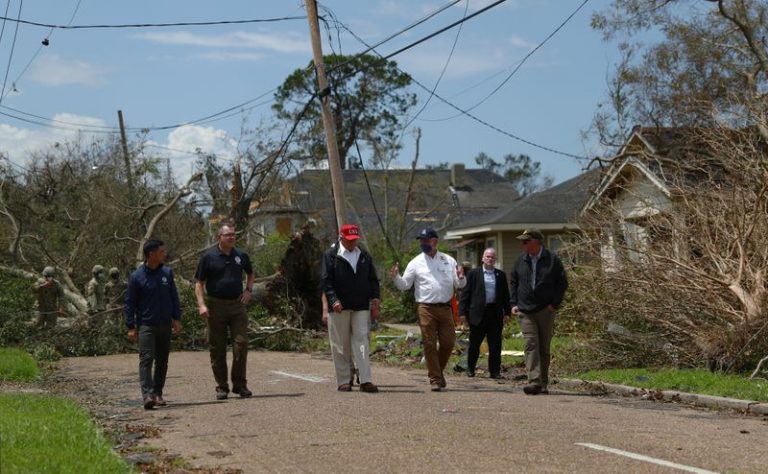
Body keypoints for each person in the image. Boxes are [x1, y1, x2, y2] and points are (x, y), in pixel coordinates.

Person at [391, 227, 466, 391]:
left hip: (445, 307)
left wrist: (461, 278)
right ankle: (435, 379)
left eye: (426, 240)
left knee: (448, 342)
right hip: (426, 308)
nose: (423, 243)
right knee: (429, 344)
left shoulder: (448, 260)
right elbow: (405, 285)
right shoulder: (415, 262)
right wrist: (396, 277)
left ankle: (437, 372)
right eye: (421, 241)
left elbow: (459, 284)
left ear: (435, 241)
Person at [194, 224, 255, 400]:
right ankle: (222, 386)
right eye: (227, 235)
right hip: (215, 306)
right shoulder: (208, 257)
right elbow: (199, 283)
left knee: (241, 345)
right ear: (219, 237)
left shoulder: (241, 255)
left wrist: (248, 290)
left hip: (237, 305)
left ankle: (240, 385)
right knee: (217, 348)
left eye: (233, 235)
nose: (231, 237)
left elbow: (250, 274)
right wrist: (202, 305)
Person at [321, 224, 381, 393]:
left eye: (355, 240)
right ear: (341, 238)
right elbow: (326, 281)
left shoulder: (364, 255)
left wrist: (375, 297)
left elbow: (373, 279)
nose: (353, 243)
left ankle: (365, 379)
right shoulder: (330, 255)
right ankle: (344, 380)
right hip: (339, 306)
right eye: (349, 240)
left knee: (362, 340)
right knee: (341, 344)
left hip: (361, 305)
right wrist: (333, 300)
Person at [509, 229, 568, 395]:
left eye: (526, 241)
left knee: (543, 346)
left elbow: (562, 283)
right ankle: (534, 381)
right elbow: (514, 281)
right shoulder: (520, 260)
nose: (523, 244)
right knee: (531, 344)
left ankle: (543, 383)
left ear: (536, 242)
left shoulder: (552, 260)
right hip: (525, 310)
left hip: (545, 310)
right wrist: (514, 302)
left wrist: (554, 304)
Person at [125, 240, 182, 410]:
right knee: (146, 359)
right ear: (152, 254)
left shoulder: (167, 273)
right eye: (161, 251)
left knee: (162, 360)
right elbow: (130, 303)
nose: (165, 254)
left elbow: (174, 297)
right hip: (146, 325)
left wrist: (176, 318)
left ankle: (157, 393)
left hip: (165, 324)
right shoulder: (136, 276)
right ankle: (147, 395)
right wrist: (131, 326)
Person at [459, 248, 511, 378]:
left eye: (492, 257)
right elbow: (465, 294)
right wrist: (462, 312)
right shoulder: (473, 274)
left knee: (495, 344)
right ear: (482, 258)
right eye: (487, 256)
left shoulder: (500, 275)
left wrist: (507, 313)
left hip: (495, 313)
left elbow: (505, 295)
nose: (490, 259)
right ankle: (470, 369)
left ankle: (494, 371)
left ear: (495, 259)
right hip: (477, 313)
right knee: (474, 343)